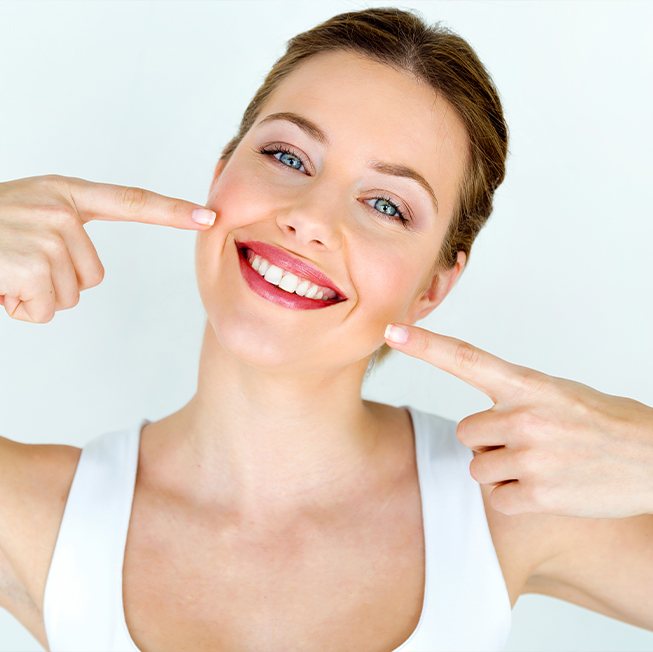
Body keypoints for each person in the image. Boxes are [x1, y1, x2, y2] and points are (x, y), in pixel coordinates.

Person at [0, 7, 651, 652]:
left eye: (386, 205)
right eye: (286, 156)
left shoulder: (504, 508)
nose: (310, 217)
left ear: (430, 287)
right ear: (220, 174)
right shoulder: (39, 514)